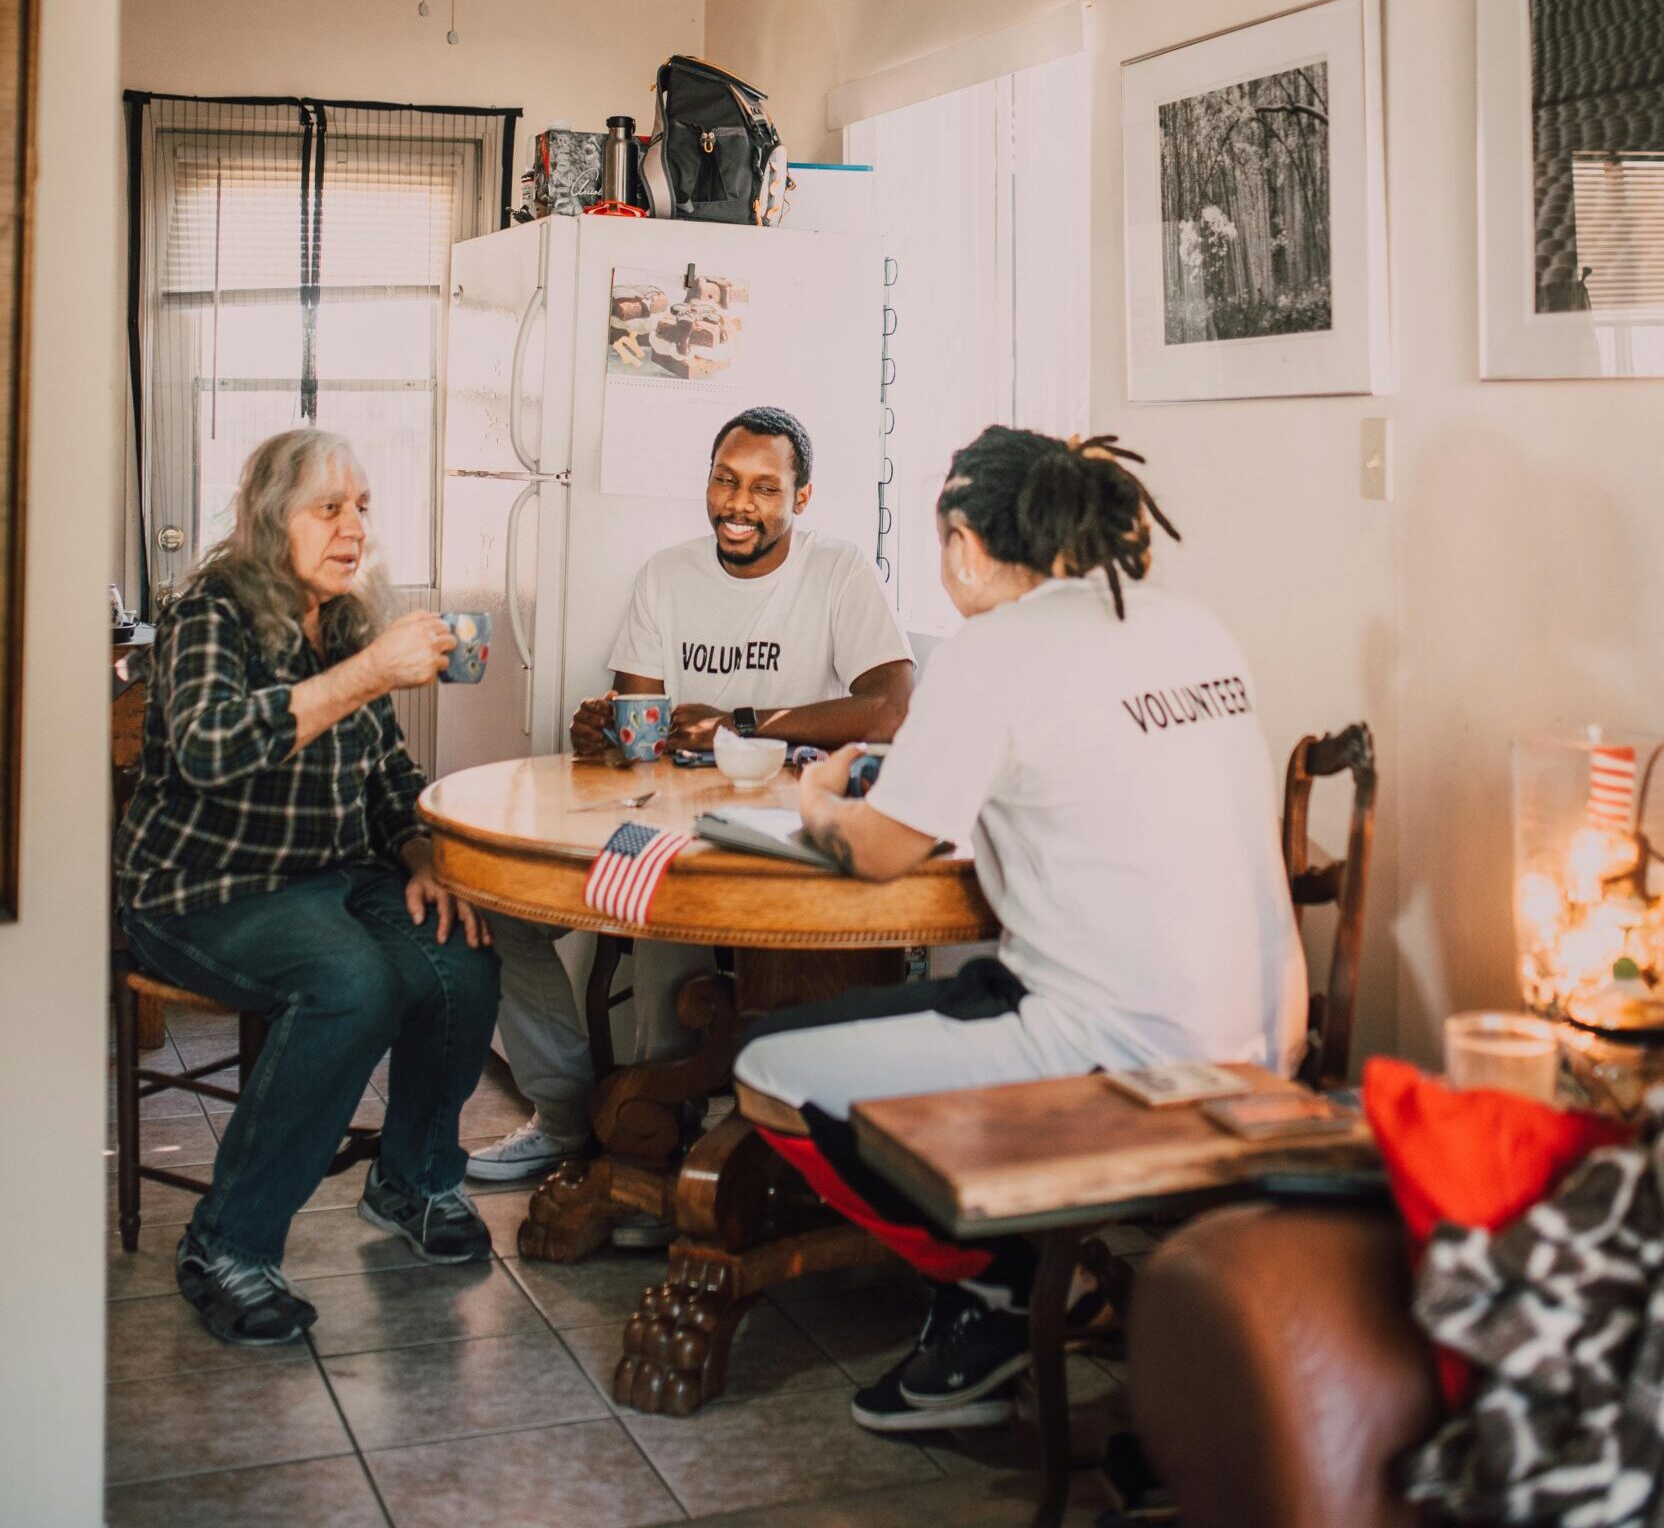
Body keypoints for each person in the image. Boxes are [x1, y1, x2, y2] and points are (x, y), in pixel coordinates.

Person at [731, 425, 1307, 1434]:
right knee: (960, 990)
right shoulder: (1185, 622)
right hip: (1264, 1036)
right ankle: (1019, 1271)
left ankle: (1002, 1285)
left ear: (961, 544)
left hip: (1125, 1053)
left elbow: (878, 852)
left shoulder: (991, 650)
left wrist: (820, 800)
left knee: (768, 1068)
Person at [472, 407, 915, 1211]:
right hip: (666, 820)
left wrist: (742, 722)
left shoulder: (839, 570)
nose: (737, 504)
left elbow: (890, 706)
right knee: (508, 906)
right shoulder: (667, 575)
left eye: (763, 487)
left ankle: (668, 1121)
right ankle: (587, 1116)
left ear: (801, 498)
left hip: (795, 829)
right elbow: (639, 727)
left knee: (668, 895)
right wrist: (600, 730)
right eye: (724, 479)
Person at [115, 430, 501, 1347]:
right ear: (267, 518)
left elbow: (385, 769)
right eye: (329, 508)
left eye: (362, 505)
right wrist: (365, 673)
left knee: (460, 948)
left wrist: (416, 851)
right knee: (352, 983)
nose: (353, 526)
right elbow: (210, 747)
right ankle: (227, 1244)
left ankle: (415, 1177)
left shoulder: (352, 617)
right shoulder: (211, 607)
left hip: (326, 872)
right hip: (199, 886)